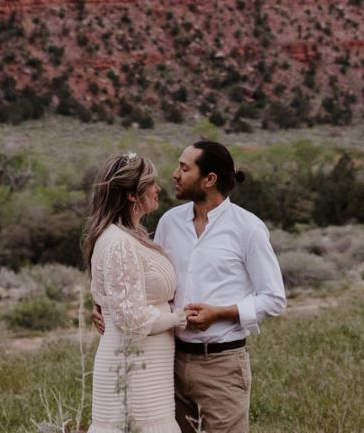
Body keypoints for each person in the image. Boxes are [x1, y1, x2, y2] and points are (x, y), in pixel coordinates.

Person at [97, 140, 286, 433]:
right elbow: (147, 281)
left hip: (221, 364)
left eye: (184, 168)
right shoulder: (170, 222)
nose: (174, 174)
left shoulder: (247, 228)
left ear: (209, 180)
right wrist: (106, 308)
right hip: (169, 361)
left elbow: (274, 298)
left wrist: (220, 313)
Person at [85, 151, 184, 433]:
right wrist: (178, 318)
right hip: (133, 370)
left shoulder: (128, 236)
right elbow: (131, 319)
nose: (159, 188)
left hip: (147, 368)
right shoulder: (119, 243)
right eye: (151, 182)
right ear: (132, 194)